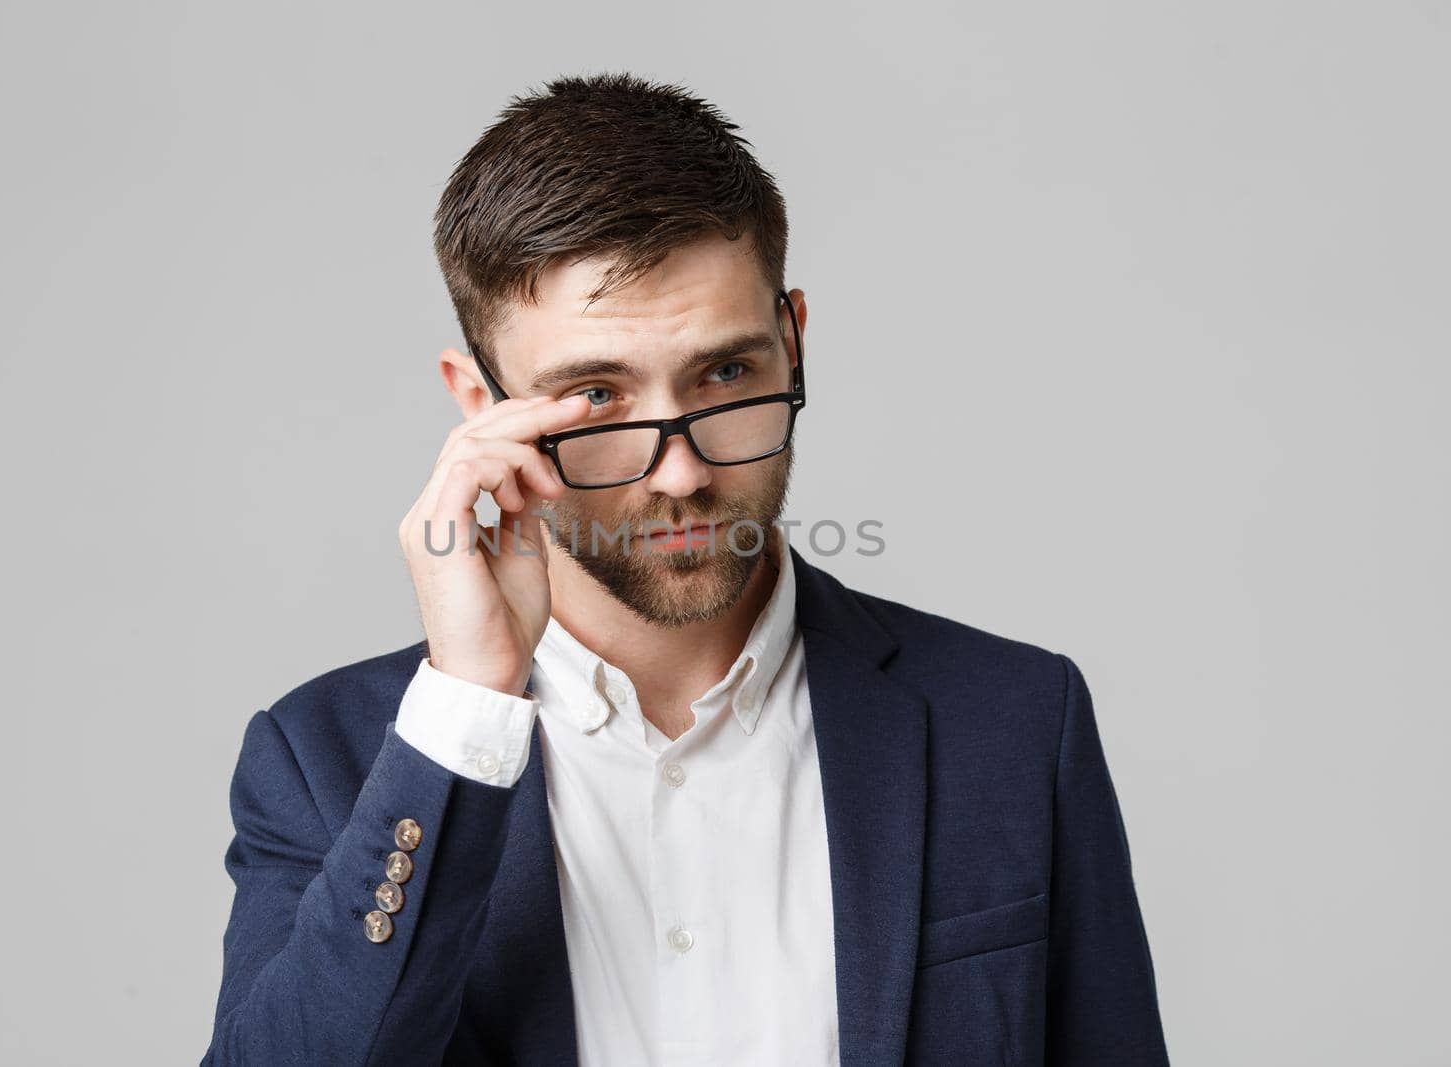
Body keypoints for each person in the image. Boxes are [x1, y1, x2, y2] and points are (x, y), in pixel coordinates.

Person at [200, 71, 1169, 1066]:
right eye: (594, 398)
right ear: (476, 403)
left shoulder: (1011, 719)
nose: (682, 471)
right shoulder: (327, 761)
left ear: (792, 343)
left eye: (724, 374)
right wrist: (467, 712)